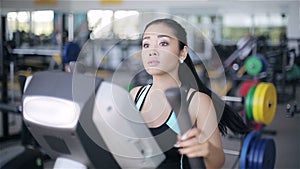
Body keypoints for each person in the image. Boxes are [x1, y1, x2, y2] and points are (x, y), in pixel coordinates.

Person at [129, 18, 249, 169]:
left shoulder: (198, 102)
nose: (152, 51)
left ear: (182, 53)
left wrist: (207, 150)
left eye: (163, 43)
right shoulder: (136, 95)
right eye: (146, 44)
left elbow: (218, 162)